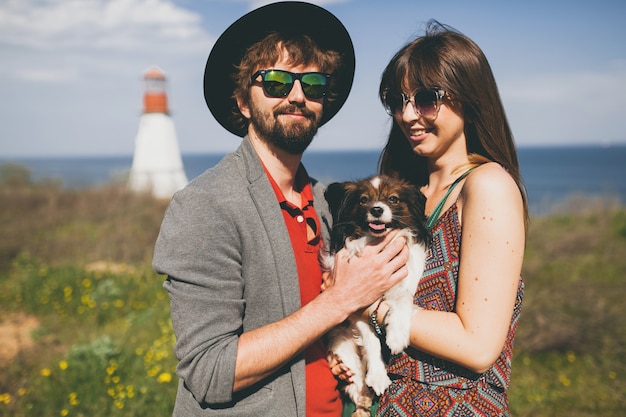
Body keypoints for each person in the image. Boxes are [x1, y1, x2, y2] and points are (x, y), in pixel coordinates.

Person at [152, 2, 409, 416]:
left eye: (312, 83)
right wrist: (339, 300)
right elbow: (209, 370)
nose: (296, 96)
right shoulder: (205, 206)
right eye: (274, 81)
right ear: (242, 101)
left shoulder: (332, 204)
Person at [331, 21, 527, 416]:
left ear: (469, 96)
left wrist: (361, 302)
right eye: (396, 100)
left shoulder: (486, 186)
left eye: (425, 98)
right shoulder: (408, 195)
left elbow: (477, 345)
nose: (407, 115)